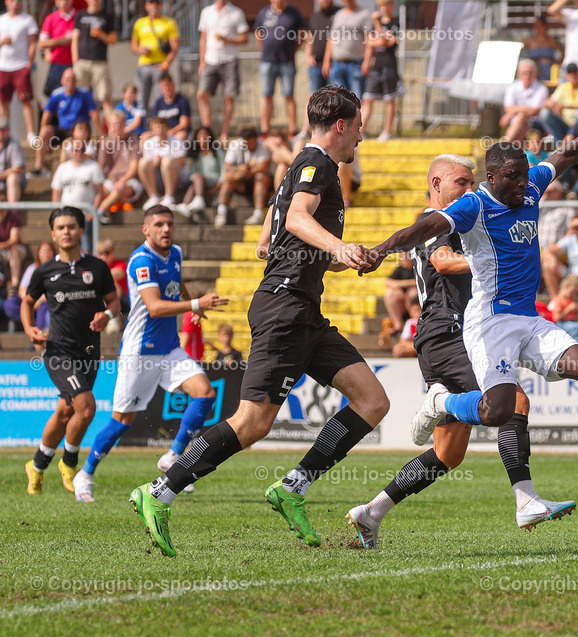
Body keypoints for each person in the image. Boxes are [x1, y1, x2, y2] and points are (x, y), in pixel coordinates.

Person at [359, 108, 578, 447]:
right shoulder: (475, 206)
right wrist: (381, 250)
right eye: (513, 177)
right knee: (497, 411)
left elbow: (571, 151)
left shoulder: (531, 187)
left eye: (524, 174)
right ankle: (440, 402)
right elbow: (422, 229)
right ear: (491, 178)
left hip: (528, 318)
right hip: (490, 321)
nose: (522, 183)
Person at [128, 87, 377, 557]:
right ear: (341, 125)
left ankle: (293, 487)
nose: (362, 136)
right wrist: (337, 246)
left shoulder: (307, 167)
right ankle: (159, 491)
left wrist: (345, 256)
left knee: (372, 399)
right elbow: (297, 217)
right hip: (284, 308)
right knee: (252, 422)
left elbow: (282, 226)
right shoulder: (318, 163)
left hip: (304, 310)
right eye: (359, 126)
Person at [349, 154, 574, 547]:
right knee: (514, 401)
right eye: (461, 183)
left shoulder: (466, 215)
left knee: (448, 454)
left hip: (449, 335)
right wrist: (497, 258)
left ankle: (371, 512)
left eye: (472, 182)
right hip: (448, 332)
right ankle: (526, 500)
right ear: (436, 184)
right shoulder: (433, 220)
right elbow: (442, 260)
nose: (469, 190)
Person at [75, 206, 227, 504]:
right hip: (140, 352)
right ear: (145, 229)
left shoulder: (176, 252)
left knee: (205, 393)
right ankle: (86, 473)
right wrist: (196, 303)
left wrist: (192, 305)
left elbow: (177, 282)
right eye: (158, 224)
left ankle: (172, 457)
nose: (165, 229)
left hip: (169, 348)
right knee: (122, 420)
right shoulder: (141, 261)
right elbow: (155, 307)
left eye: (169, 223)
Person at [20, 207, 116, 498]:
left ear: (81, 230)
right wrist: (29, 329)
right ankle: (70, 462)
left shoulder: (97, 268)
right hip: (59, 352)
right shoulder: (45, 271)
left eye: (71, 226)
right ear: (53, 234)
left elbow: (113, 301)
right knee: (86, 408)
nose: (66, 231)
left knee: (66, 411)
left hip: (89, 352)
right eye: (60, 227)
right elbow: (27, 302)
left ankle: (37, 465)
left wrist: (107, 316)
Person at [196, 0, 248, 142]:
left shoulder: (237, 13)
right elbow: (203, 38)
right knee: (202, 95)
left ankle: (225, 133)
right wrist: (201, 61)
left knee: (228, 97)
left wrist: (227, 40)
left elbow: (244, 38)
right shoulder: (206, 12)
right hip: (210, 59)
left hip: (229, 60)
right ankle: (207, 131)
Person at [33, 68, 99, 178]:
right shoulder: (56, 94)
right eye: (68, 79)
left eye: (73, 79)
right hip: (62, 129)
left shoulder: (84, 93)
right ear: (62, 81)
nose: (70, 82)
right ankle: (38, 167)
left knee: (79, 130)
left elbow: (94, 114)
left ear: (76, 81)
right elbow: (46, 116)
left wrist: (101, 135)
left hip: (79, 129)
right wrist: (45, 141)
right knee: (44, 131)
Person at [255, 0, 305, 135]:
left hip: (287, 62)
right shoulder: (264, 12)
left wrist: (294, 50)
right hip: (267, 61)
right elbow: (258, 33)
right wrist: (264, 49)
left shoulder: (294, 13)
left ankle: (292, 130)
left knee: (289, 95)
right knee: (267, 95)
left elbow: (302, 34)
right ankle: (265, 130)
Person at [361, 0, 402, 141]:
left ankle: (387, 131)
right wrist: (367, 61)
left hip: (389, 65)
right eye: (381, 6)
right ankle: (361, 130)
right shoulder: (373, 24)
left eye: (386, 5)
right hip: (375, 65)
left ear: (392, 6)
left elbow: (386, 42)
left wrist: (378, 24)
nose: (383, 9)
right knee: (367, 98)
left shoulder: (395, 23)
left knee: (390, 99)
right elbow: (369, 43)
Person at [215, 128, 272, 227]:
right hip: (242, 180)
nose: (249, 146)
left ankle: (258, 213)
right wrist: (239, 170)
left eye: (252, 143)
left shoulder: (263, 145)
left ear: (256, 139)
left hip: (260, 181)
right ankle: (221, 212)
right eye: (247, 143)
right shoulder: (235, 145)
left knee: (260, 177)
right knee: (228, 179)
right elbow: (227, 167)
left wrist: (247, 172)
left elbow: (263, 166)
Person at [0, 0, 38, 147]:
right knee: (4, 102)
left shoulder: (28, 20)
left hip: (21, 66)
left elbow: (33, 43)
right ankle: (4, 134)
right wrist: (3, 42)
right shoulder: (1, 20)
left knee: (26, 100)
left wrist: (29, 64)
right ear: (7, 2)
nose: (16, 3)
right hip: (3, 67)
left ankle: (31, 134)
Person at [130, 0, 179, 109]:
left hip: (160, 64)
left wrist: (166, 63)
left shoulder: (169, 22)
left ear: (161, 6)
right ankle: (142, 119)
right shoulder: (140, 23)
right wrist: (140, 50)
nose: (154, 5)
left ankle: (160, 118)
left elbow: (175, 47)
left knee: (161, 97)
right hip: (144, 65)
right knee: (141, 99)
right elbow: (133, 46)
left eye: (157, 3)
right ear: (146, 6)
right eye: (151, 2)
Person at [71, 0, 115, 121]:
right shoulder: (80, 15)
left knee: (105, 97)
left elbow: (113, 40)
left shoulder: (107, 16)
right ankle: (81, 128)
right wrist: (75, 60)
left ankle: (113, 130)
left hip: (100, 62)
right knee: (80, 97)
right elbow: (75, 38)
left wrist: (101, 34)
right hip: (82, 62)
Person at [97, 112, 142, 223]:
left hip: (130, 181)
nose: (117, 127)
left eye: (119, 124)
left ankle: (98, 213)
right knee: (99, 189)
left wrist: (122, 181)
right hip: (111, 180)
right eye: (114, 124)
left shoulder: (133, 140)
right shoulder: (106, 142)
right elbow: (100, 167)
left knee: (119, 189)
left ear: (124, 124)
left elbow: (134, 167)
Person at [542, 214, 578, 298]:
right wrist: (551, 258)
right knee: (547, 263)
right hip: (571, 274)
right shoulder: (570, 239)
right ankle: (555, 299)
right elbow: (549, 251)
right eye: (576, 227)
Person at [324, 0, 371, 98]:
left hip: (355, 64)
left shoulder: (364, 14)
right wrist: (326, 61)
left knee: (356, 98)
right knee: (338, 99)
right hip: (337, 63)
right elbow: (331, 39)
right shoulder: (339, 15)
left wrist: (367, 61)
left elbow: (369, 40)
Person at [538, 63, 578, 142]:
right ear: (566, 75)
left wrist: (564, 106)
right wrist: (555, 107)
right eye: (570, 72)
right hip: (564, 122)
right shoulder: (563, 87)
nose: (572, 75)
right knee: (544, 113)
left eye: (574, 72)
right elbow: (547, 103)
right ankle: (559, 143)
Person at [4, 240, 54, 332]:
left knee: (44, 308)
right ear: (38, 253)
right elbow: (22, 290)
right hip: (31, 300)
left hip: (45, 303)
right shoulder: (32, 268)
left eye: (49, 251)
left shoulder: (56, 269)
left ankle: (39, 332)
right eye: (44, 251)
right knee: (10, 304)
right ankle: (30, 322)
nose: (46, 254)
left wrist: (39, 302)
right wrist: (30, 303)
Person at [175, 125, 223, 220]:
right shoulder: (195, 153)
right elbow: (192, 173)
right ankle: (186, 204)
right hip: (200, 182)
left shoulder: (217, 150)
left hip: (215, 180)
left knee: (197, 177)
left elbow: (223, 168)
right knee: (194, 184)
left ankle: (198, 198)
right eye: (200, 135)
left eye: (205, 135)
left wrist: (221, 182)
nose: (203, 138)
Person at [139, 117, 186, 211]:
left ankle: (169, 196)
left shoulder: (177, 141)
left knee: (167, 161)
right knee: (142, 162)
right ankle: (153, 196)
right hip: (158, 178)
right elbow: (147, 165)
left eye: (162, 127)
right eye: (156, 128)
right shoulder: (149, 143)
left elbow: (181, 163)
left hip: (178, 179)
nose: (160, 130)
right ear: (152, 130)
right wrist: (155, 163)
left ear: (167, 128)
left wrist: (162, 160)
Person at [501, 59, 549, 143]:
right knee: (521, 119)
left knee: (522, 117)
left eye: (530, 73)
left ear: (535, 74)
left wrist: (512, 112)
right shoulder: (512, 87)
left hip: (535, 124)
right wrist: (525, 110)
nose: (527, 76)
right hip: (517, 124)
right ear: (519, 74)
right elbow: (508, 108)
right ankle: (508, 146)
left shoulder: (541, 88)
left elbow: (535, 110)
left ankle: (505, 144)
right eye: (524, 73)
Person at [38, 0, 76, 99]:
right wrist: (59, 41)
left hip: (77, 64)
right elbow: (42, 43)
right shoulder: (51, 18)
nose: (64, 2)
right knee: (56, 95)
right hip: (57, 64)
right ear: (56, 2)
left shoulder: (79, 17)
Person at [382, 250, 417, 340]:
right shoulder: (400, 269)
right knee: (390, 293)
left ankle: (415, 321)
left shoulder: (417, 268)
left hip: (414, 301)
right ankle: (398, 325)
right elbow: (388, 282)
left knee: (412, 292)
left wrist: (400, 284)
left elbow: (419, 282)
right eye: (402, 256)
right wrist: (399, 288)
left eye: (406, 256)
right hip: (403, 303)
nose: (403, 259)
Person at [549, 273, 578, 343]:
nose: (573, 294)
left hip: (573, 322)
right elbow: (556, 318)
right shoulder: (559, 300)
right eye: (572, 292)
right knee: (575, 329)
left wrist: (577, 309)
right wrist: (568, 309)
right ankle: (574, 343)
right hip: (562, 323)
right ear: (565, 287)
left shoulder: (571, 299)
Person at [305, 0, 338, 94]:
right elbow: (310, 38)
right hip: (316, 65)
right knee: (314, 97)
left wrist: (327, 61)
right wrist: (308, 56)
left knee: (335, 97)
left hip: (334, 65)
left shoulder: (339, 14)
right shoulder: (314, 17)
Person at [521, 14, 562, 82]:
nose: (538, 28)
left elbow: (563, 52)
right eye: (536, 25)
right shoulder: (529, 40)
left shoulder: (551, 40)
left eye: (540, 25)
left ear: (545, 26)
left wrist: (557, 64)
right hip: (533, 72)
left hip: (548, 71)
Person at [149, 74, 190, 141]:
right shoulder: (158, 102)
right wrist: (159, 132)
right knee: (144, 136)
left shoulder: (182, 100)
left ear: (173, 85)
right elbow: (154, 123)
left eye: (167, 85)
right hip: (161, 132)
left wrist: (170, 132)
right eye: (163, 87)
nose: (166, 89)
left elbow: (184, 124)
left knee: (180, 136)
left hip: (176, 132)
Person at [95, 237, 129, 319]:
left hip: (123, 302)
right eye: (101, 253)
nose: (104, 256)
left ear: (113, 252)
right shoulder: (96, 266)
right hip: (103, 300)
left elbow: (118, 273)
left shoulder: (120, 264)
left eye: (107, 253)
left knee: (112, 282)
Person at [0, 117, 25, 208]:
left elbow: (18, 169)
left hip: (11, 183)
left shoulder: (14, 144)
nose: (1, 132)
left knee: (12, 178)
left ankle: (12, 212)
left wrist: (1, 175)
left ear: (8, 130)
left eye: (3, 129)